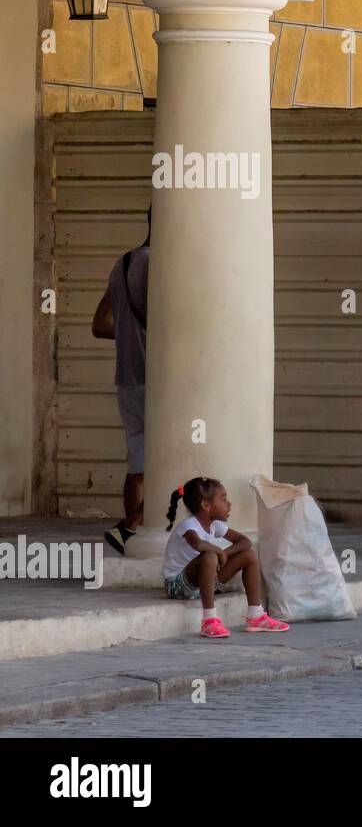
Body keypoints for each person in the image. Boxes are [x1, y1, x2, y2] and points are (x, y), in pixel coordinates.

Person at [163, 476, 290, 638]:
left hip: (203, 580)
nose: (229, 504)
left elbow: (245, 542)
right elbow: (198, 545)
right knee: (209, 556)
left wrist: (224, 554)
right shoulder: (188, 526)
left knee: (248, 556)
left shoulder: (215, 525)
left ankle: (256, 615)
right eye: (223, 499)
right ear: (206, 505)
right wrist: (218, 552)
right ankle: (209, 621)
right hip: (177, 586)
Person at [93, 208, 150, 555]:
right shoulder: (161, 262)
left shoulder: (122, 264)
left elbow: (99, 325)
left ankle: (130, 529)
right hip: (160, 379)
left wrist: (130, 335)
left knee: (139, 462)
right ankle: (133, 526)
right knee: (178, 460)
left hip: (126, 379)